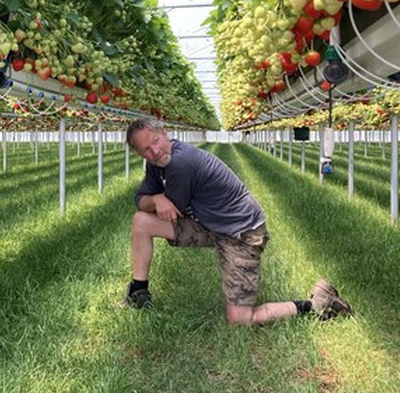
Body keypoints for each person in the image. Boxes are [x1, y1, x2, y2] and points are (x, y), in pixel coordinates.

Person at [121, 118, 354, 326]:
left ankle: (316, 305)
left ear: (163, 132)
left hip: (242, 235)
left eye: (156, 141)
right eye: (146, 150)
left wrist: (158, 199)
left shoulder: (182, 161)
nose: (155, 151)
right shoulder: (156, 164)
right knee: (141, 221)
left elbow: (173, 209)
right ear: (140, 155)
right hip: (210, 224)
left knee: (240, 319)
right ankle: (138, 293)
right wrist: (157, 198)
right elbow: (140, 201)